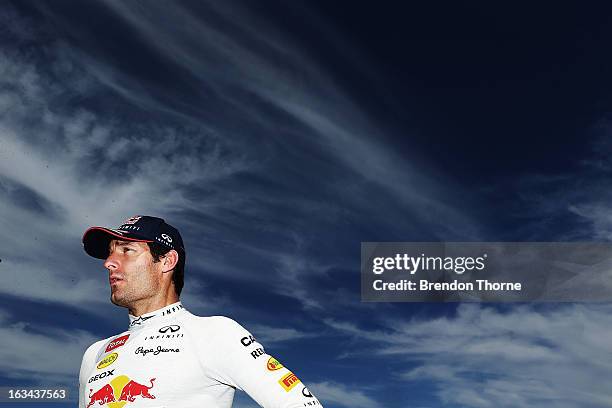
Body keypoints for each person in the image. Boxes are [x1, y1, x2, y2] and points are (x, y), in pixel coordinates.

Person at [79, 215, 322, 408]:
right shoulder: (95, 353)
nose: (109, 262)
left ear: (167, 261)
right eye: (110, 253)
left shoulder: (214, 333)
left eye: (126, 250)